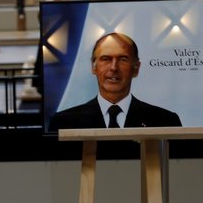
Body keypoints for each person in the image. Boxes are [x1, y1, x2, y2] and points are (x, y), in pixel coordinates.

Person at [48, 32, 182, 131]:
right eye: (105, 59)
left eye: (123, 59)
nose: (113, 67)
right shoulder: (63, 123)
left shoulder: (165, 121)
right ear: (93, 67)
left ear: (136, 68)